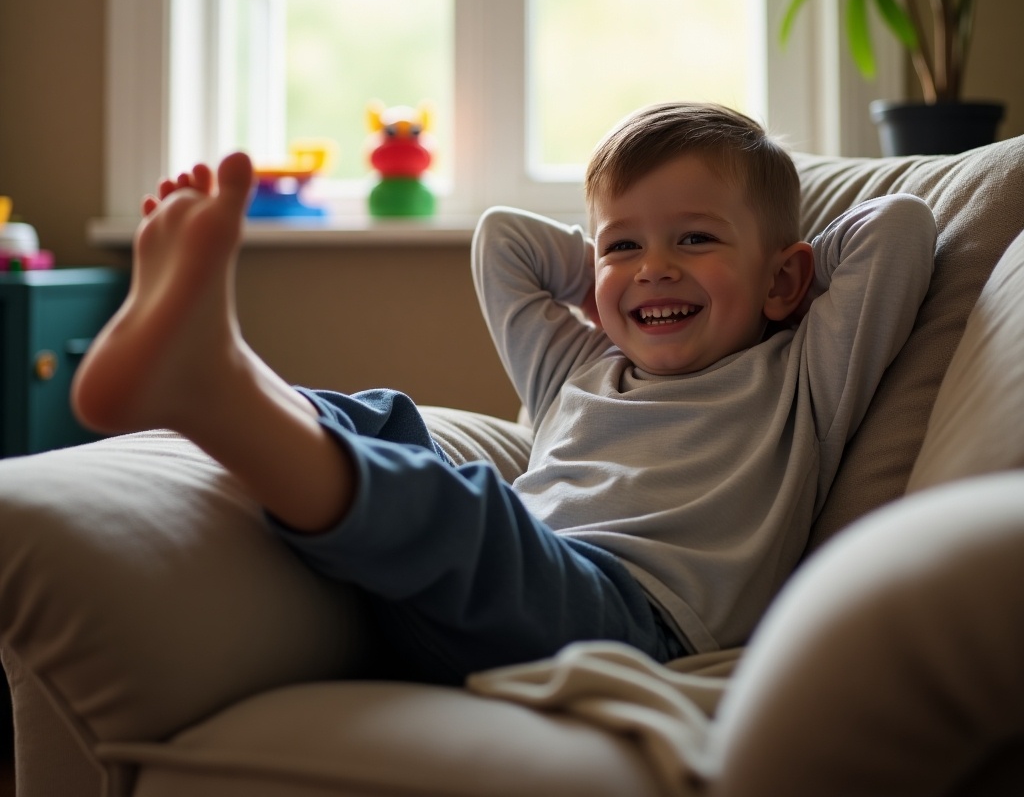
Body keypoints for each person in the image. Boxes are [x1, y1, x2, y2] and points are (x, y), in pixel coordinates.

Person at [72, 101, 936, 685]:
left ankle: (211, 382)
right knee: (383, 417)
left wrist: (778, 272)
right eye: (624, 247)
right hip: (513, 568)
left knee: (468, 510)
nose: (655, 269)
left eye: (695, 238)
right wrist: (604, 272)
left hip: (628, 618)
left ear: (788, 280)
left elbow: (902, 228)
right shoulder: (578, 370)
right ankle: (210, 370)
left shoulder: (799, 376)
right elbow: (504, 243)